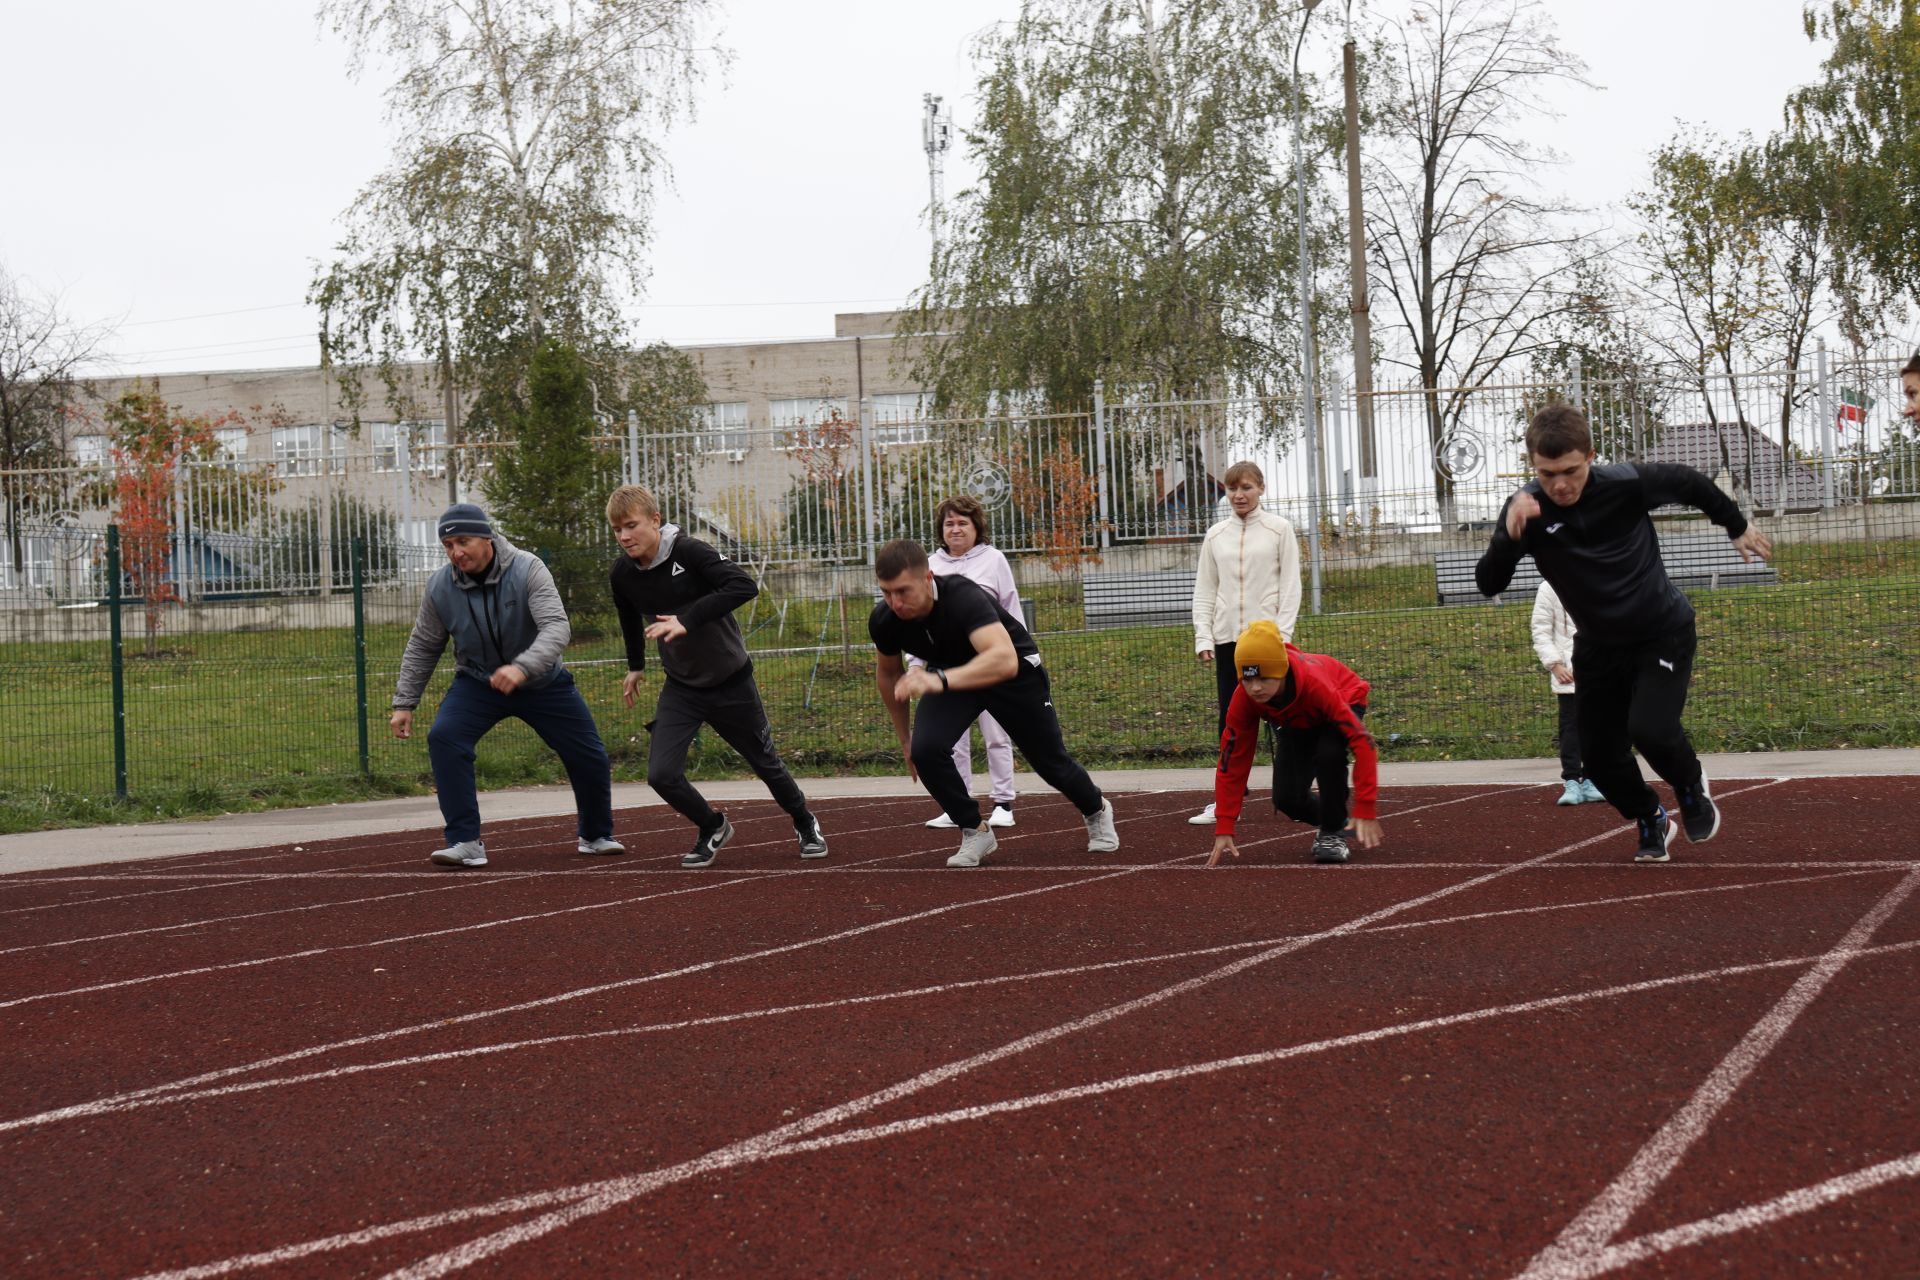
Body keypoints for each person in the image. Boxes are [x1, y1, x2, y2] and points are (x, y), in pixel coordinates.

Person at [1476, 404, 1772, 862]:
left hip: (1661, 631)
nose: (1560, 484)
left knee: (1650, 729)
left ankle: (1691, 787)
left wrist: (1735, 524)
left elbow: (1689, 482)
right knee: (1597, 758)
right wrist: (1508, 538)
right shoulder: (1525, 510)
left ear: (1591, 456)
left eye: (1571, 471)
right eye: (1547, 472)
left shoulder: (1626, 484)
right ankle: (1650, 816)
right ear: (1532, 465)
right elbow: (1489, 583)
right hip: (1597, 646)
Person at [390, 503, 621, 868]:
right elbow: (423, 644)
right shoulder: (439, 586)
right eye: (448, 546)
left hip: (543, 682)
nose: (456, 552)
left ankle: (595, 835)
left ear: (487, 537)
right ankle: (465, 841)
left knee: (588, 753)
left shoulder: (528, 568)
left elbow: (557, 628)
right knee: (445, 737)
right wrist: (405, 702)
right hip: (478, 682)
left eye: (463, 541)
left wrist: (523, 668)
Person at [607, 484, 826, 869]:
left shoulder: (690, 552)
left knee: (765, 764)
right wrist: (636, 666)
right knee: (661, 775)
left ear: (655, 521)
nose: (624, 536)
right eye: (616, 529)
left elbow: (744, 586)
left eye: (631, 525)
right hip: (683, 687)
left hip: (731, 680)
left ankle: (804, 821)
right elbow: (627, 614)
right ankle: (712, 826)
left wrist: (688, 619)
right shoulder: (622, 573)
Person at [870, 538, 1117, 868]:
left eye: (902, 591)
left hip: (1011, 675)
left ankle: (1096, 808)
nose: (895, 602)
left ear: (927, 579)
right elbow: (889, 675)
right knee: (925, 750)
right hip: (954, 676)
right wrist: (904, 739)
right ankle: (975, 830)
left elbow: (1004, 660)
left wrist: (937, 680)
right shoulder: (885, 619)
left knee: (1050, 763)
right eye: (886, 592)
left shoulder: (964, 597)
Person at [1206, 621, 1382, 867]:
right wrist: (1224, 825)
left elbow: (1363, 743)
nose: (1255, 688)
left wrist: (1366, 805)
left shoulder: (1315, 683)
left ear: (1281, 671)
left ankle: (1331, 833)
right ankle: (1338, 820)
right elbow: (1232, 758)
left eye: (1264, 678)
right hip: (1296, 719)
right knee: (1287, 799)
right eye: (1247, 679)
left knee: (1328, 754)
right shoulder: (1244, 697)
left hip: (1343, 697)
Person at [1189, 460, 1301, 827]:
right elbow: (1206, 588)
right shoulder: (1216, 535)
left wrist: (1281, 635)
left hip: (1267, 641)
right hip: (1227, 642)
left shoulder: (1279, 529)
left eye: (1247, 488)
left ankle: (1295, 789)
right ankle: (1228, 799)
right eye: (1233, 488)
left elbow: (1290, 586)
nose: (1239, 495)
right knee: (1230, 719)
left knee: (1281, 716)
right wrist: (1203, 634)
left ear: (1261, 489)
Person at [918, 495, 1021, 830]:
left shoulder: (994, 561)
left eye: (963, 522)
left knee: (996, 733)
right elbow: (918, 618)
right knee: (952, 741)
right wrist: (916, 662)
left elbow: (1011, 605)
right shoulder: (930, 565)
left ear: (977, 527)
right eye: (949, 523)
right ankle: (957, 804)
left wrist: (1019, 655)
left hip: (990, 663)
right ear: (941, 530)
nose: (956, 529)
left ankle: (1003, 803)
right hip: (948, 666)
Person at [1531, 580, 1603, 806]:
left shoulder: (1594, 580)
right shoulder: (1548, 587)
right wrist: (1555, 664)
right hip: (1567, 672)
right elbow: (1540, 629)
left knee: (1597, 728)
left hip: (1597, 669)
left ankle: (1592, 780)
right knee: (1571, 729)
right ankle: (1572, 780)